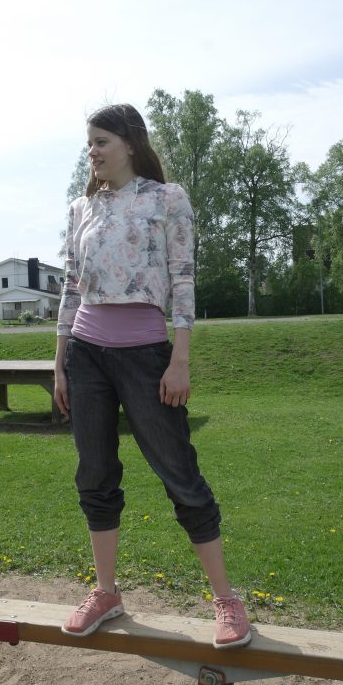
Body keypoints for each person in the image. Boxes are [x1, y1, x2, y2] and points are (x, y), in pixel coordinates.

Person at [54, 103, 251, 649]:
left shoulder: (167, 199)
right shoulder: (81, 208)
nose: (92, 152)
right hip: (86, 356)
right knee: (94, 475)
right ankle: (106, 592)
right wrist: (60, 361)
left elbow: (183, 279)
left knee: (180, 475)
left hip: (146, 356)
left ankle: (226, 599)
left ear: (130, 143)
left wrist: (179, 359)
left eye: (101, 141)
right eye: (89, 143)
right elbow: (70, 286)